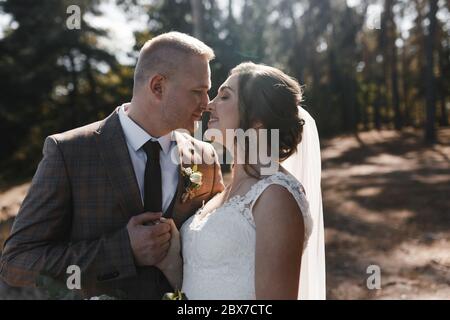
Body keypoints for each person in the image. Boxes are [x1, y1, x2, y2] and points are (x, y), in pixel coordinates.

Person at [0, 32, 224, 299]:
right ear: (157, 87)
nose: (206, 103)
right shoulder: (69, 153)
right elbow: (17, 262)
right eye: (198, 92)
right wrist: (122, 251)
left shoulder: (205, 157)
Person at [157, 62, 326, 300]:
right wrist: (171, 260)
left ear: (257, 119)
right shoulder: (222, 193)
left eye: (224, 97)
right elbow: (207, 280)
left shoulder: (276, 196)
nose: (208, 105)